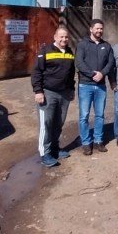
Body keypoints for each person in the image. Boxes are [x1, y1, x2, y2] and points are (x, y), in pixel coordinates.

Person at [31, 27, 76, 168]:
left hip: (64, 94)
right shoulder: (45, 51)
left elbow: (71, 73)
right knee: (46, 124)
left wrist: (71, 89)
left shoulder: (69, 52)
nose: (64, 40)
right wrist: (38, 91)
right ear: (55, 37)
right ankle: (45, 153)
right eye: (61, 37)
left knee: (59, 122)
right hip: (48, 93)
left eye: (66, 37)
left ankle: (55, 148)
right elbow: (36, 72)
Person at [75, 19, 115, 155]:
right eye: (97, 28)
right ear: (91, 29)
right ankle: (86, 142)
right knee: (84, 116)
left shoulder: (107, 46)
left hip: (101, 86)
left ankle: (98, 140)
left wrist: (102, 73)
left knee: (99, 115)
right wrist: (93, 74)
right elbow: (79, 63)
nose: (99, 31)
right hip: (85, 85)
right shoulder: (82, 45)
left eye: (101, 29)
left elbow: (111, 63)